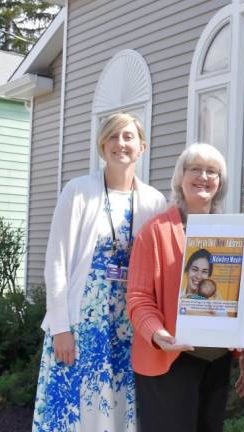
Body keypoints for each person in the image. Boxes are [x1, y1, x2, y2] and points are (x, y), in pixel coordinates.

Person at [32, 113, 167, 431]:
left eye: (128, 136)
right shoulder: (78, 191)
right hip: (81, 326)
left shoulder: (154, 201)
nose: (121, 143)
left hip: (129, 327)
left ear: (142, 146)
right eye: (113, 136)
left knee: (119, 410)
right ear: (102, 144)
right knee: (75, 412)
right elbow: (56, 261)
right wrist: (61, 328)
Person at [126, 143, 244, 431]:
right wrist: (158, 334)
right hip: (170, 359)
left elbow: (241, 297)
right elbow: (138, 298)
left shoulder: (231, 233)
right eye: (195, 168)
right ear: (180, 177)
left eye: (212, 171)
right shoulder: (154, 232)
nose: (203, 176)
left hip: (217, 360)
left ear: (220, 183)